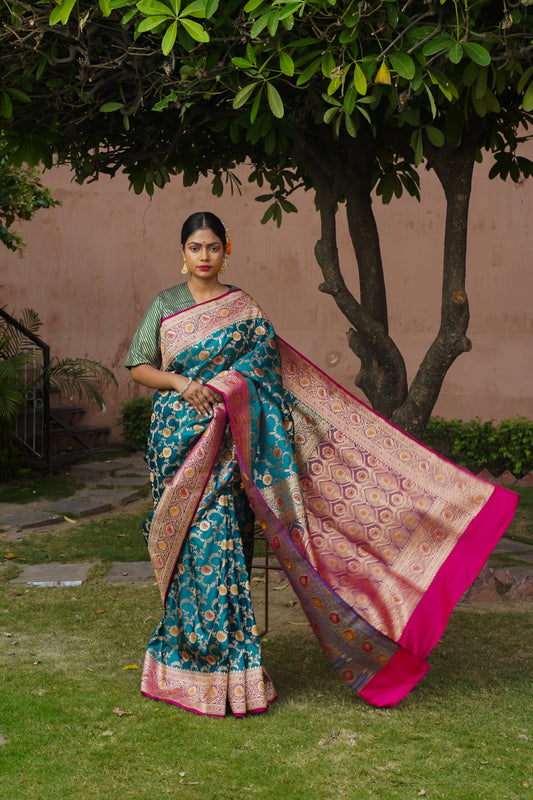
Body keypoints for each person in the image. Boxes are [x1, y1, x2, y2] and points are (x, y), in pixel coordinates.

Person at [126, 211, 518, 718]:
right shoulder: (165, 305)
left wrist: (225, 386)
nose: (204, 257)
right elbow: (138, 366)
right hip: (176, 444)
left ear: (227, 249)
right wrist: (182, 384)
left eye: (212, 248)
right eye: (195, 248)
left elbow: (265, 368)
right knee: (187, 559)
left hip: (229, 448)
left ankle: (227, 673)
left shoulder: (243, 309)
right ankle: (183, 662)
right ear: (183, 253)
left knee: (220, 551)